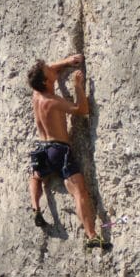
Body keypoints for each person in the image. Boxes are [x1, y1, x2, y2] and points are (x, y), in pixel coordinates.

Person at [27, 54, 108, 249]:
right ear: (46, 81)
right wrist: (78, 86)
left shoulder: (36, 95)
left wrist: (66, 62)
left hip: (42, 149)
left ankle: (36, 207)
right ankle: (91, 235)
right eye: (49, 72)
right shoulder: (52, 101)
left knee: (36, 176)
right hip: (59, 150)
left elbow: (50, 69)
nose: (53, 70)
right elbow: (82, 109)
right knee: (80, 193)